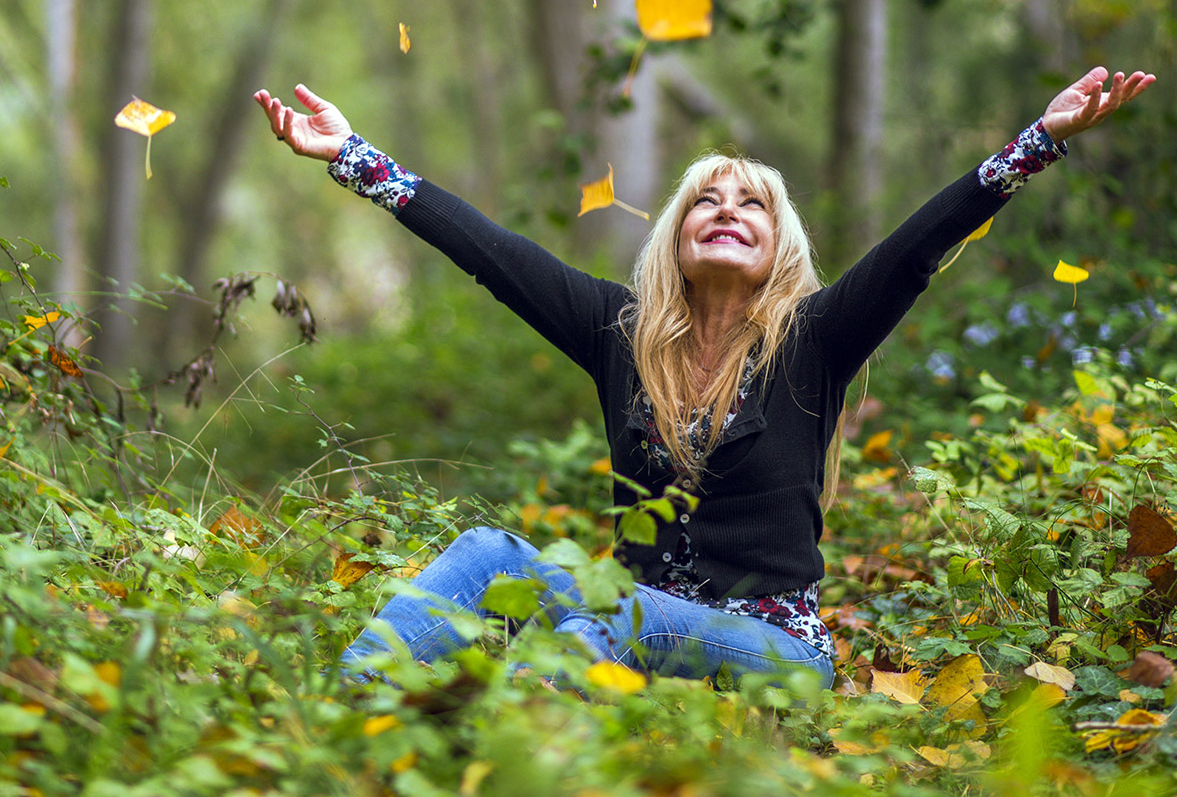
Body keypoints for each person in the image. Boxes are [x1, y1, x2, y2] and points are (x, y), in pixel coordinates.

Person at [252, 67, 1155, 688]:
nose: (727, 210)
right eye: (705, 202)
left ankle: (512, 752)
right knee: (493, 558)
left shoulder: (814, 339)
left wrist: (1040, 139)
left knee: (602, 625)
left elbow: (919, 247)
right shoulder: (621, 333)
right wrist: (353, 158)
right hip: (632, 612)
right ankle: (349, 718)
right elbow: (493, 253)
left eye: (752, 203)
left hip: (773, 647)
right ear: (676, 242)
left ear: (780, 246)